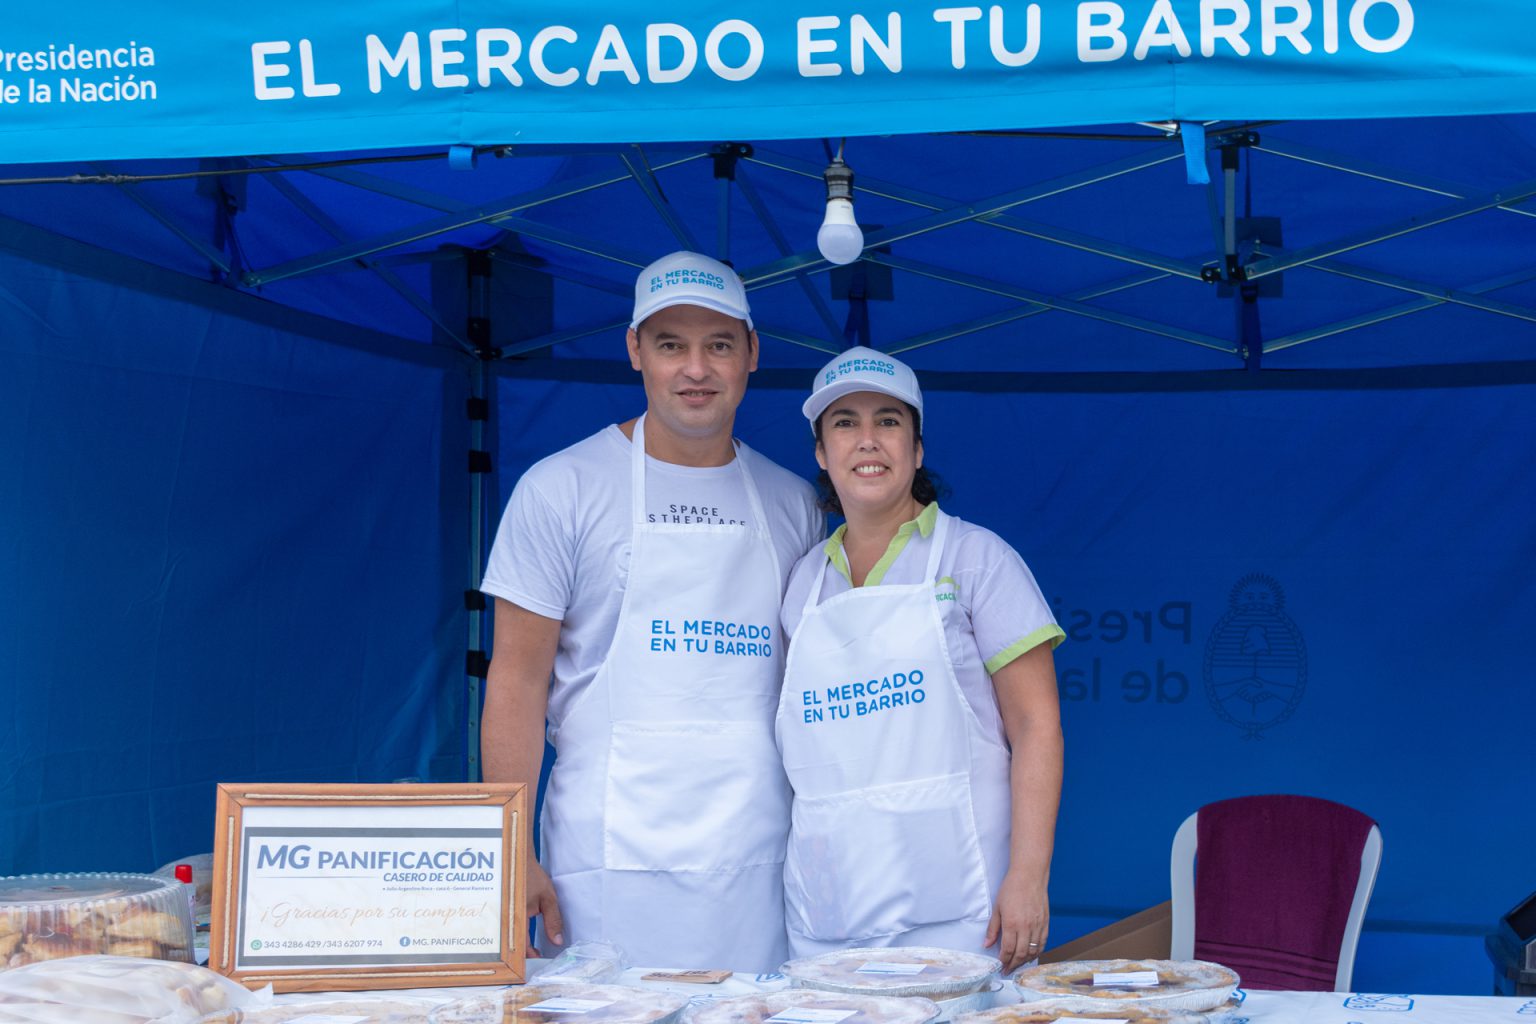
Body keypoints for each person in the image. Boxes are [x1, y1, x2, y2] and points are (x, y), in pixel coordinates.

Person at [480, 252, 823, 971]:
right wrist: (510, 850)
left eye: (719, 345)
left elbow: (808, 687)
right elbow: (515, 682)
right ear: (635, 349)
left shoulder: (794, 503)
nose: (695, 369)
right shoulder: (561, 489)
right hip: (605, 858)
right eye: (671, 345)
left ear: (752, 354)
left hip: (754, 859)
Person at [775, 346, 1065, 972]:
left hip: (961, 915)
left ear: (917, 447)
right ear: (822, 454)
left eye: (888, 420)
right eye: (844, 423)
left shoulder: (978, 559)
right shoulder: (802, 583)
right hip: (829, 913)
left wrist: (1028, 876)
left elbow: (1037, 727)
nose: (868, 439)